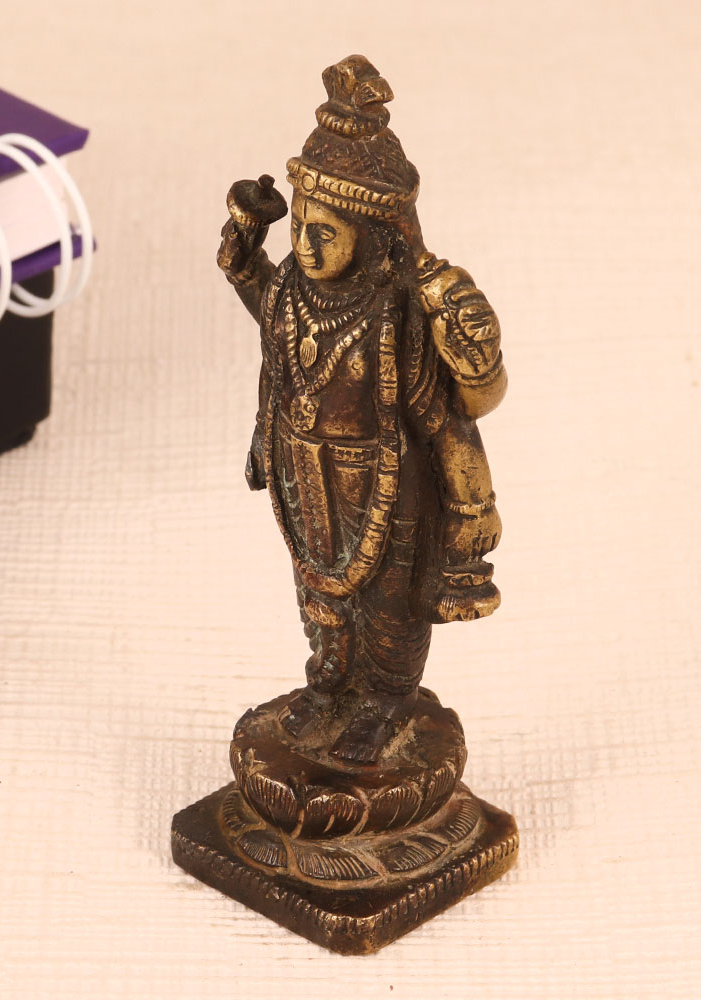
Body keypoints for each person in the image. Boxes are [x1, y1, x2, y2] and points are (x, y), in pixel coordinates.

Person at [217, 55, 507, 764]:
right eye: (301, 227)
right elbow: (265, 309)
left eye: (327, 232)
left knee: (388, 604)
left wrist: (471, 505)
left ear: (371, 234)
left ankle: (384, 703)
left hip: (382, 478)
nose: (306, 245)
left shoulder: (393, 310)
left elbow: (446, 415)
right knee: (317, 591)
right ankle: (328, 685)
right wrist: (245, 242)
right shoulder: (292, 290)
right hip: (302, 471)